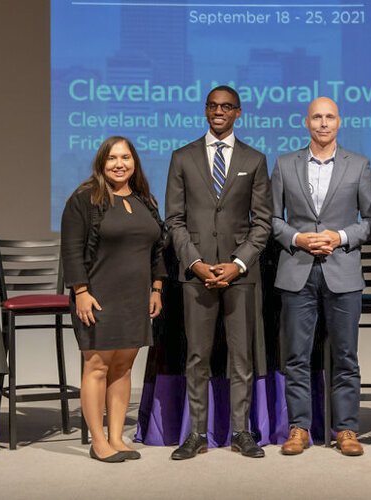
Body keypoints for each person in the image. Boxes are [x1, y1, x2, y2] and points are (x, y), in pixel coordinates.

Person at [165, 85, 272, 459]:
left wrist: (238, 263)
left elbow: (263, 223)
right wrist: (194, 262)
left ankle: (242, 431)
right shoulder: (182, 157)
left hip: (240, 274)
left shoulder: (255, 159)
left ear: (238, 113)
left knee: (241, 357)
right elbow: (174, 221)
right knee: (197, 356)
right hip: (196, 274)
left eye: (226, 107)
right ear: (205, 110)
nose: (219, 111)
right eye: (212, 106)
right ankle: (196, 433)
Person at [271, 97, 371, 456]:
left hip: (342, 272)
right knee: (297, 357)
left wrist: (340, 237)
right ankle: (299, 428)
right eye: (317, 117)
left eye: (329, 117)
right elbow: (271, 219)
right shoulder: (285, 165)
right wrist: (297, 238)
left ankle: (346, 430)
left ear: (339, 122)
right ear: (306, 123)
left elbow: (370, 221)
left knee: (346, 357)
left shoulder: (359, 165)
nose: (323, 123)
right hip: (297, 270)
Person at [61, 136, 166, 463]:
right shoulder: (85, 198)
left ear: (134, 161)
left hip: (135, 297)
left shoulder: (145, 199)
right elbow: (72, 248)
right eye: (112, 158)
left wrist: (157, 288)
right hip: (97, 296)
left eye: (126, 157)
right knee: (97, 366)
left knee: (123, 368)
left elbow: (157, 250)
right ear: (101, 163)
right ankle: (98, 441)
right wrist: (80, 291)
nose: (119, 164)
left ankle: (117, 437)